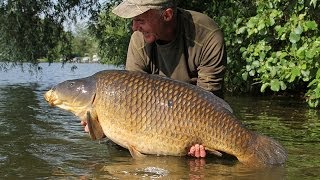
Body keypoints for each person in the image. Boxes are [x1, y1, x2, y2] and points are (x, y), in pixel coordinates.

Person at [82, 0, 227, 158]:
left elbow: (209, 101)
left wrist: (199, 137)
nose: (134, 27)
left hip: (195, 117)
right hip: (153, 118)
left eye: (140, 20)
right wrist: (105, 125)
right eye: (133, 21)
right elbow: (132, 100)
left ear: (167, 15)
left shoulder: (206, 35)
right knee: (119, 150)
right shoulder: (139, 40)